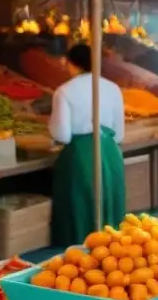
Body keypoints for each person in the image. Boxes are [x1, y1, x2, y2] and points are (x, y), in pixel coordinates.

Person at [48, 44, 126, 246]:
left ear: (72, 64)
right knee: (110, 206)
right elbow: (119, 134)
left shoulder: (64, 91)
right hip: (110, 152)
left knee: (81, 208)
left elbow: (62, 135)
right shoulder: (112, 88)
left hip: (81, 155)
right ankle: (114, 254)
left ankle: (80, 257)